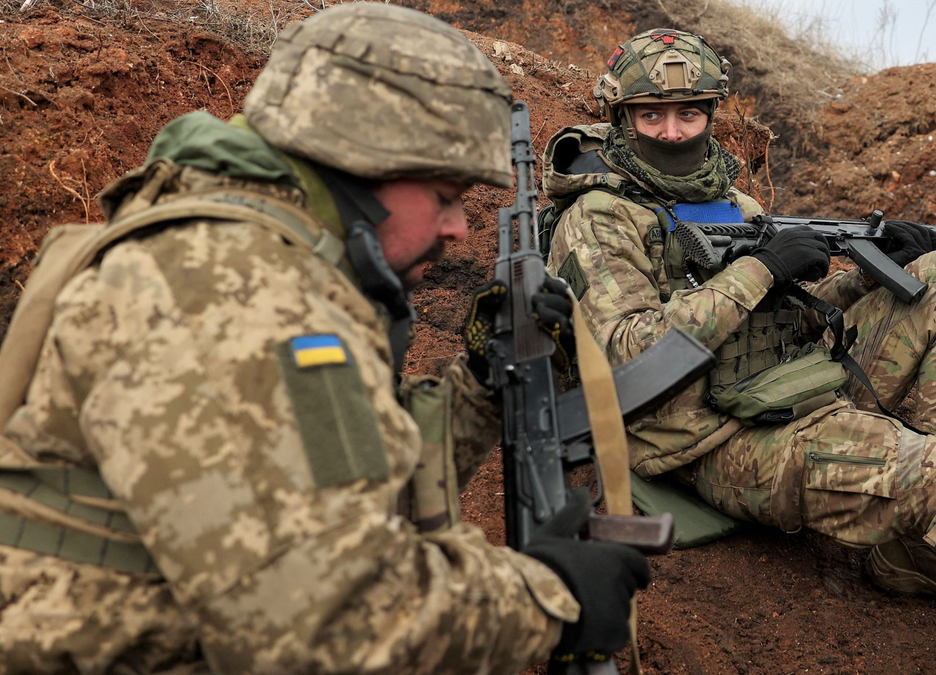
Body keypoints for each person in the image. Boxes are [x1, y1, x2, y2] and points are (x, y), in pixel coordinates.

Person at [0, 5, 648, 674]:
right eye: (445, 193)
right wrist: (549, 598)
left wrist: (482, 384)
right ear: (362, 161)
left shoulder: (246, 256)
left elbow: (334, 486)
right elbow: (329, 628)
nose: (458, 227)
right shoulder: (234, 294)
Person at [543, 27, 936, 675]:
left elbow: (791, 318)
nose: (672, 131)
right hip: (712, 441)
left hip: (784, 386)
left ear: (711, 114)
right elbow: (628, 355)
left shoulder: (731, 202)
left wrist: (873, 270)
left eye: (690, 112)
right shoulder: (600, 219)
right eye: (652, 115)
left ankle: (914, 547)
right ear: (621, 117)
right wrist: (761, 271)